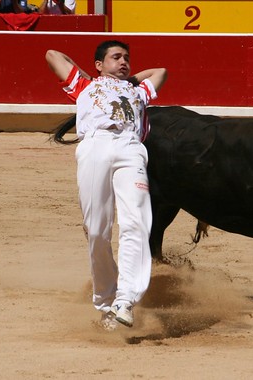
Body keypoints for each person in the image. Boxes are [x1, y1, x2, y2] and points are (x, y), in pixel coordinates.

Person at [45, 41, 167, 330]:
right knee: (97, 230)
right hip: (95, 146)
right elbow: (53, 54)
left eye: (127, 58)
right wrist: (94, 77)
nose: (124, 61)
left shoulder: (139, 91)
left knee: (135, 222)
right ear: (99, 64)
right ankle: (105, 302)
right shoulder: (84, 86)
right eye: (116, 57)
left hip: (129, 147)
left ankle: (125, 300)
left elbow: (161, 71)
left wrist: (128, 78)